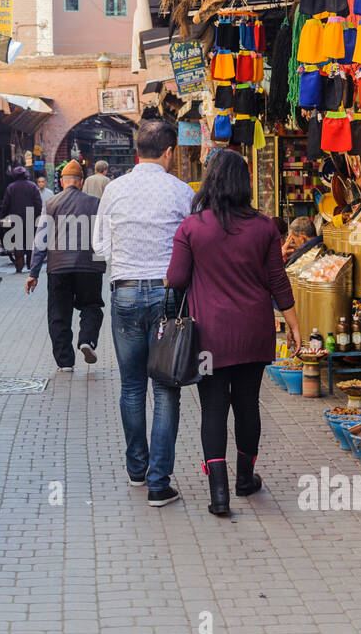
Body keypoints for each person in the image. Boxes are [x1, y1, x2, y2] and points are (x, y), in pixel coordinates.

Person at [166, 150, 303, 516]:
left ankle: (219, 495)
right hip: (253, 333)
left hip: (209, 338)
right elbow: (278, 279)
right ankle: (245, 479)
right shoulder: (264, 227)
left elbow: (176, 279)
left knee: (213, 407)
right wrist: (294, 325)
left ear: (210, 179)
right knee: (247, 404)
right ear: (245, 183)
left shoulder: (192, 227)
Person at [92, 119, 195, 507]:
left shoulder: (115, 190)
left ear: (138, 151)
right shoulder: (181, 191)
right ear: (169, 152)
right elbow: (191, 246)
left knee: (132, 386)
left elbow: (100, 245)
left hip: (125, 294)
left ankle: (137, 468)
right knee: (166, 388)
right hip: (169, 298)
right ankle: (158, 483)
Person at [26, 160, 105, 372]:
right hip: (90, 267)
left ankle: (65, 362)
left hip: (59, 266)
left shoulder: (51, 204)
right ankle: (87, 340)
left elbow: (41, 240)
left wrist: (33, 273)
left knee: (59, 314)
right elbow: (104, 235)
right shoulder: (95, 203)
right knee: (91, 307)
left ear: (62, 182)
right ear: (81, 183)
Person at [0, 165, 44, 274]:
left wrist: (3, 217)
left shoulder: (11, 187)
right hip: (31, 218)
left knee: (18, 244)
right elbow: (38, 204)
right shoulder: (33, 186)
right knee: (30, 243)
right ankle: (30, 265)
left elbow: (5, 205)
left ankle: (19, 266)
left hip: (15, 220)